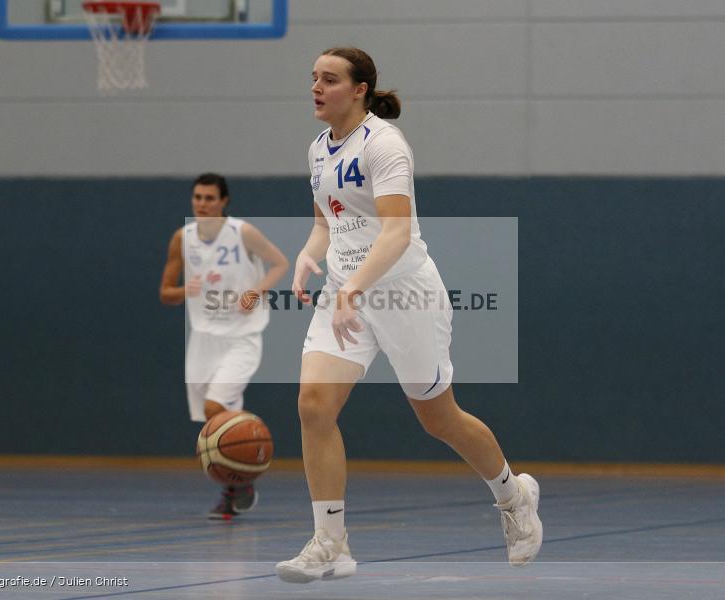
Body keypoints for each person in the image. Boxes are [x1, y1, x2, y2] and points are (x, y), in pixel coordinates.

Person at [275, 48, 542, 583]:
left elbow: (396, 231)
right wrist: (309, 252)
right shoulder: (318, 150)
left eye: (329, 79)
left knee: (438, 418)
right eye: (313, 79)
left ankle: (514, 496)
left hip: (402, 292)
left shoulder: (386, 145)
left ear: (360, 88)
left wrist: (353, 285)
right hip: (346, 295)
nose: (316, 88)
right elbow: (330, 223)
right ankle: (331, 542)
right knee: (313, 405)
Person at [160, 173, 288, 520]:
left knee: (217, 407)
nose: (202, 204)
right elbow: (165, 293)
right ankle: (236, 484)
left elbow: (280, 263)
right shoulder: (181, 239)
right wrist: (185, 290)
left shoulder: (242, 233)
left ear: (224, 201)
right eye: (197, 197)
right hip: (203, 340)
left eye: (209, 198)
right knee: (210, 422)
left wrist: (256, 291)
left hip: (242, 337)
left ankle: (240, 482)